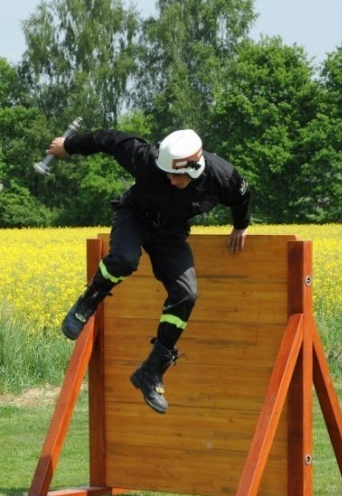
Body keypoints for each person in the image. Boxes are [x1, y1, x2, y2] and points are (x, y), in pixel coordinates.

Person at [45, 128, 252, 414]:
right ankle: (88, 301)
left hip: (171, 234)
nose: (169, 179)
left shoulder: (222, 176)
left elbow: (242, 196)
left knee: (186, 293)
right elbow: (107, 139)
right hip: (134, 217)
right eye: (165, 173)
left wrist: (241, 225)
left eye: (175, 176)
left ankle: (152, 370)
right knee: (125, 260)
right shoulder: (147, 158)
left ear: (194, 168)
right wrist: (68, 145)